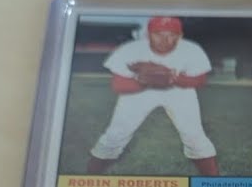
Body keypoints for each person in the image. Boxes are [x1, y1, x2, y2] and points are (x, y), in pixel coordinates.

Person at [86, 16, 220, 176]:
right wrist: (144, 82)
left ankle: (212, 182)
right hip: (139, 91)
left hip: (177, 90)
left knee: (194, 136)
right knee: (115, 135)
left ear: (180, 36)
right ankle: (90, 178)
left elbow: (200, 80)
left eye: (171, 35)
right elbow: (118, 85)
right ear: (148, 34)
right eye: (158, 34)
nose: (165, 39)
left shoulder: (191, 49)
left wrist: (173, 79)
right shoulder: (130, 50)